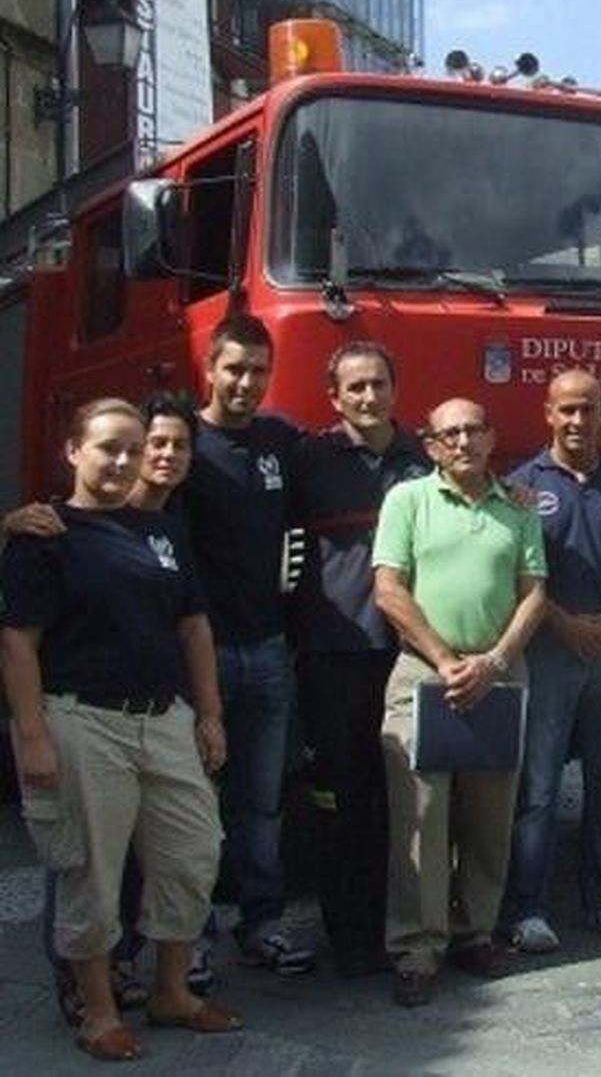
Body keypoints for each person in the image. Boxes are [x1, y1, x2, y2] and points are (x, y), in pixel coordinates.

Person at [0, 399, 241, 1062]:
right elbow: (17, 642)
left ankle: (172, 990)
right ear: (72, 451)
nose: (124, 461)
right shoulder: (43, 534)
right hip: (83, 721)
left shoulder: (163, 532)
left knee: (195, 854)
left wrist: (210, 713)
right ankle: (98, 1011)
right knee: (92, 874)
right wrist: (32, 736)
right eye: (108, 447)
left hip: (165, 718)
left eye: (133, 449)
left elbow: (194, 625)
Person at [372, 397, 549, 1007]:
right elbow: (389, 589)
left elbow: (534, 593)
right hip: (425, 671)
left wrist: (495, 661)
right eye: (450, 433)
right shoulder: (407, 501)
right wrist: (446, 660)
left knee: (489, 816)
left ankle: (475, 933)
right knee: (421, 817)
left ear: (492, 435)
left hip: (498, 673)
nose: (464, 441)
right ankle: (418, 949)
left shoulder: (518, 508)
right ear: (431, 445)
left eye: (475, 428)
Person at [289, 342, 431, 977]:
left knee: (402, 795)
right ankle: (347, 935)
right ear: (335, 397)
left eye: (378, 384)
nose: (368, 397)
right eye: (355, 388)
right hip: (334, 652)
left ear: (396, 390)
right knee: (339, 796)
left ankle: (404, 926)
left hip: (407, 654)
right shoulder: (309, 461)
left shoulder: (424, 460)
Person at [500, 369, 601, 953]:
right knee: (537, 787)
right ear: (548, 413)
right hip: (548, 649)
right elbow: (514, 575)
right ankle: (529, 908)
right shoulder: (520, 487)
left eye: (587, 409)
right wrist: (562, 623)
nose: (577, 420)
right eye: (566, 409)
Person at [184, 314, 314, 975]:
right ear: (210, 368)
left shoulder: (280, 440)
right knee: (193, 808)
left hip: (267, 651)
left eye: (258, 371)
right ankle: (194, 934)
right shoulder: (180, 443)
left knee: (261, 805)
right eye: (234, 369)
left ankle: (261, 923)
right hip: (198, 658)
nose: (245, 382)